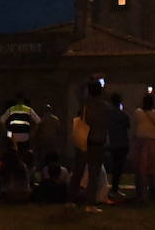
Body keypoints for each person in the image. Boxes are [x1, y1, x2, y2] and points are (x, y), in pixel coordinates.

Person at [69, 80, 109, 213]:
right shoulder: (104, 106)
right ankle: (90, 203)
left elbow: (78, 91)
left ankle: (71, 201)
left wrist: (87, 80)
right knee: (93, 174)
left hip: (83, 140)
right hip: (97, 142)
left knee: (78, 172)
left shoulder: (85, 103)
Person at [132, 93, 155, 201]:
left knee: (141, 170)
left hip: (141, 143)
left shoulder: (138, 112)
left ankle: (142, 194)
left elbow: (137, 111)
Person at [0, 96, 39, 166]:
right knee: (24, 155)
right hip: (25, 136)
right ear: (23, 101)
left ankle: (13, 167)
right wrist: (33, 133)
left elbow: (2, 121)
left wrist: (7, 133)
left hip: (12, 136)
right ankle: (23, 168)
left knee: (13, 154)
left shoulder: (11, 109)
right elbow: (38, 121)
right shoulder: (28, 109)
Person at [106, 93, 131, 197]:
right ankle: (115, 188)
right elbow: (128, 126)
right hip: (123, 143)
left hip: (113, 143)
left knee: (114, 166)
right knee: (119, 168)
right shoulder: (124, 115)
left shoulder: (108, 114)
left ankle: (114, 188)